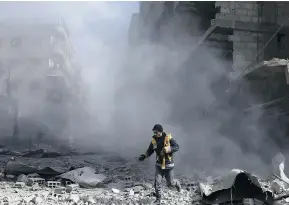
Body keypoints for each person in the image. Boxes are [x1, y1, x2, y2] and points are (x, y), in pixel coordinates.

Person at [139, 124, 181, 204]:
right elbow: (150, 150)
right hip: (159, 165)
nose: (154, 134)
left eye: (156, 132)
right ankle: (158, 200)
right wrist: (144, 156)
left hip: (169, 165)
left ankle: (176, 183)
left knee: (170, 183)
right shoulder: (154, 140)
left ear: (160, 131)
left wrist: (169, 149)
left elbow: (177, 147)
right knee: (157, 183)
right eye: (154, 132)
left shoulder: (168, 138)